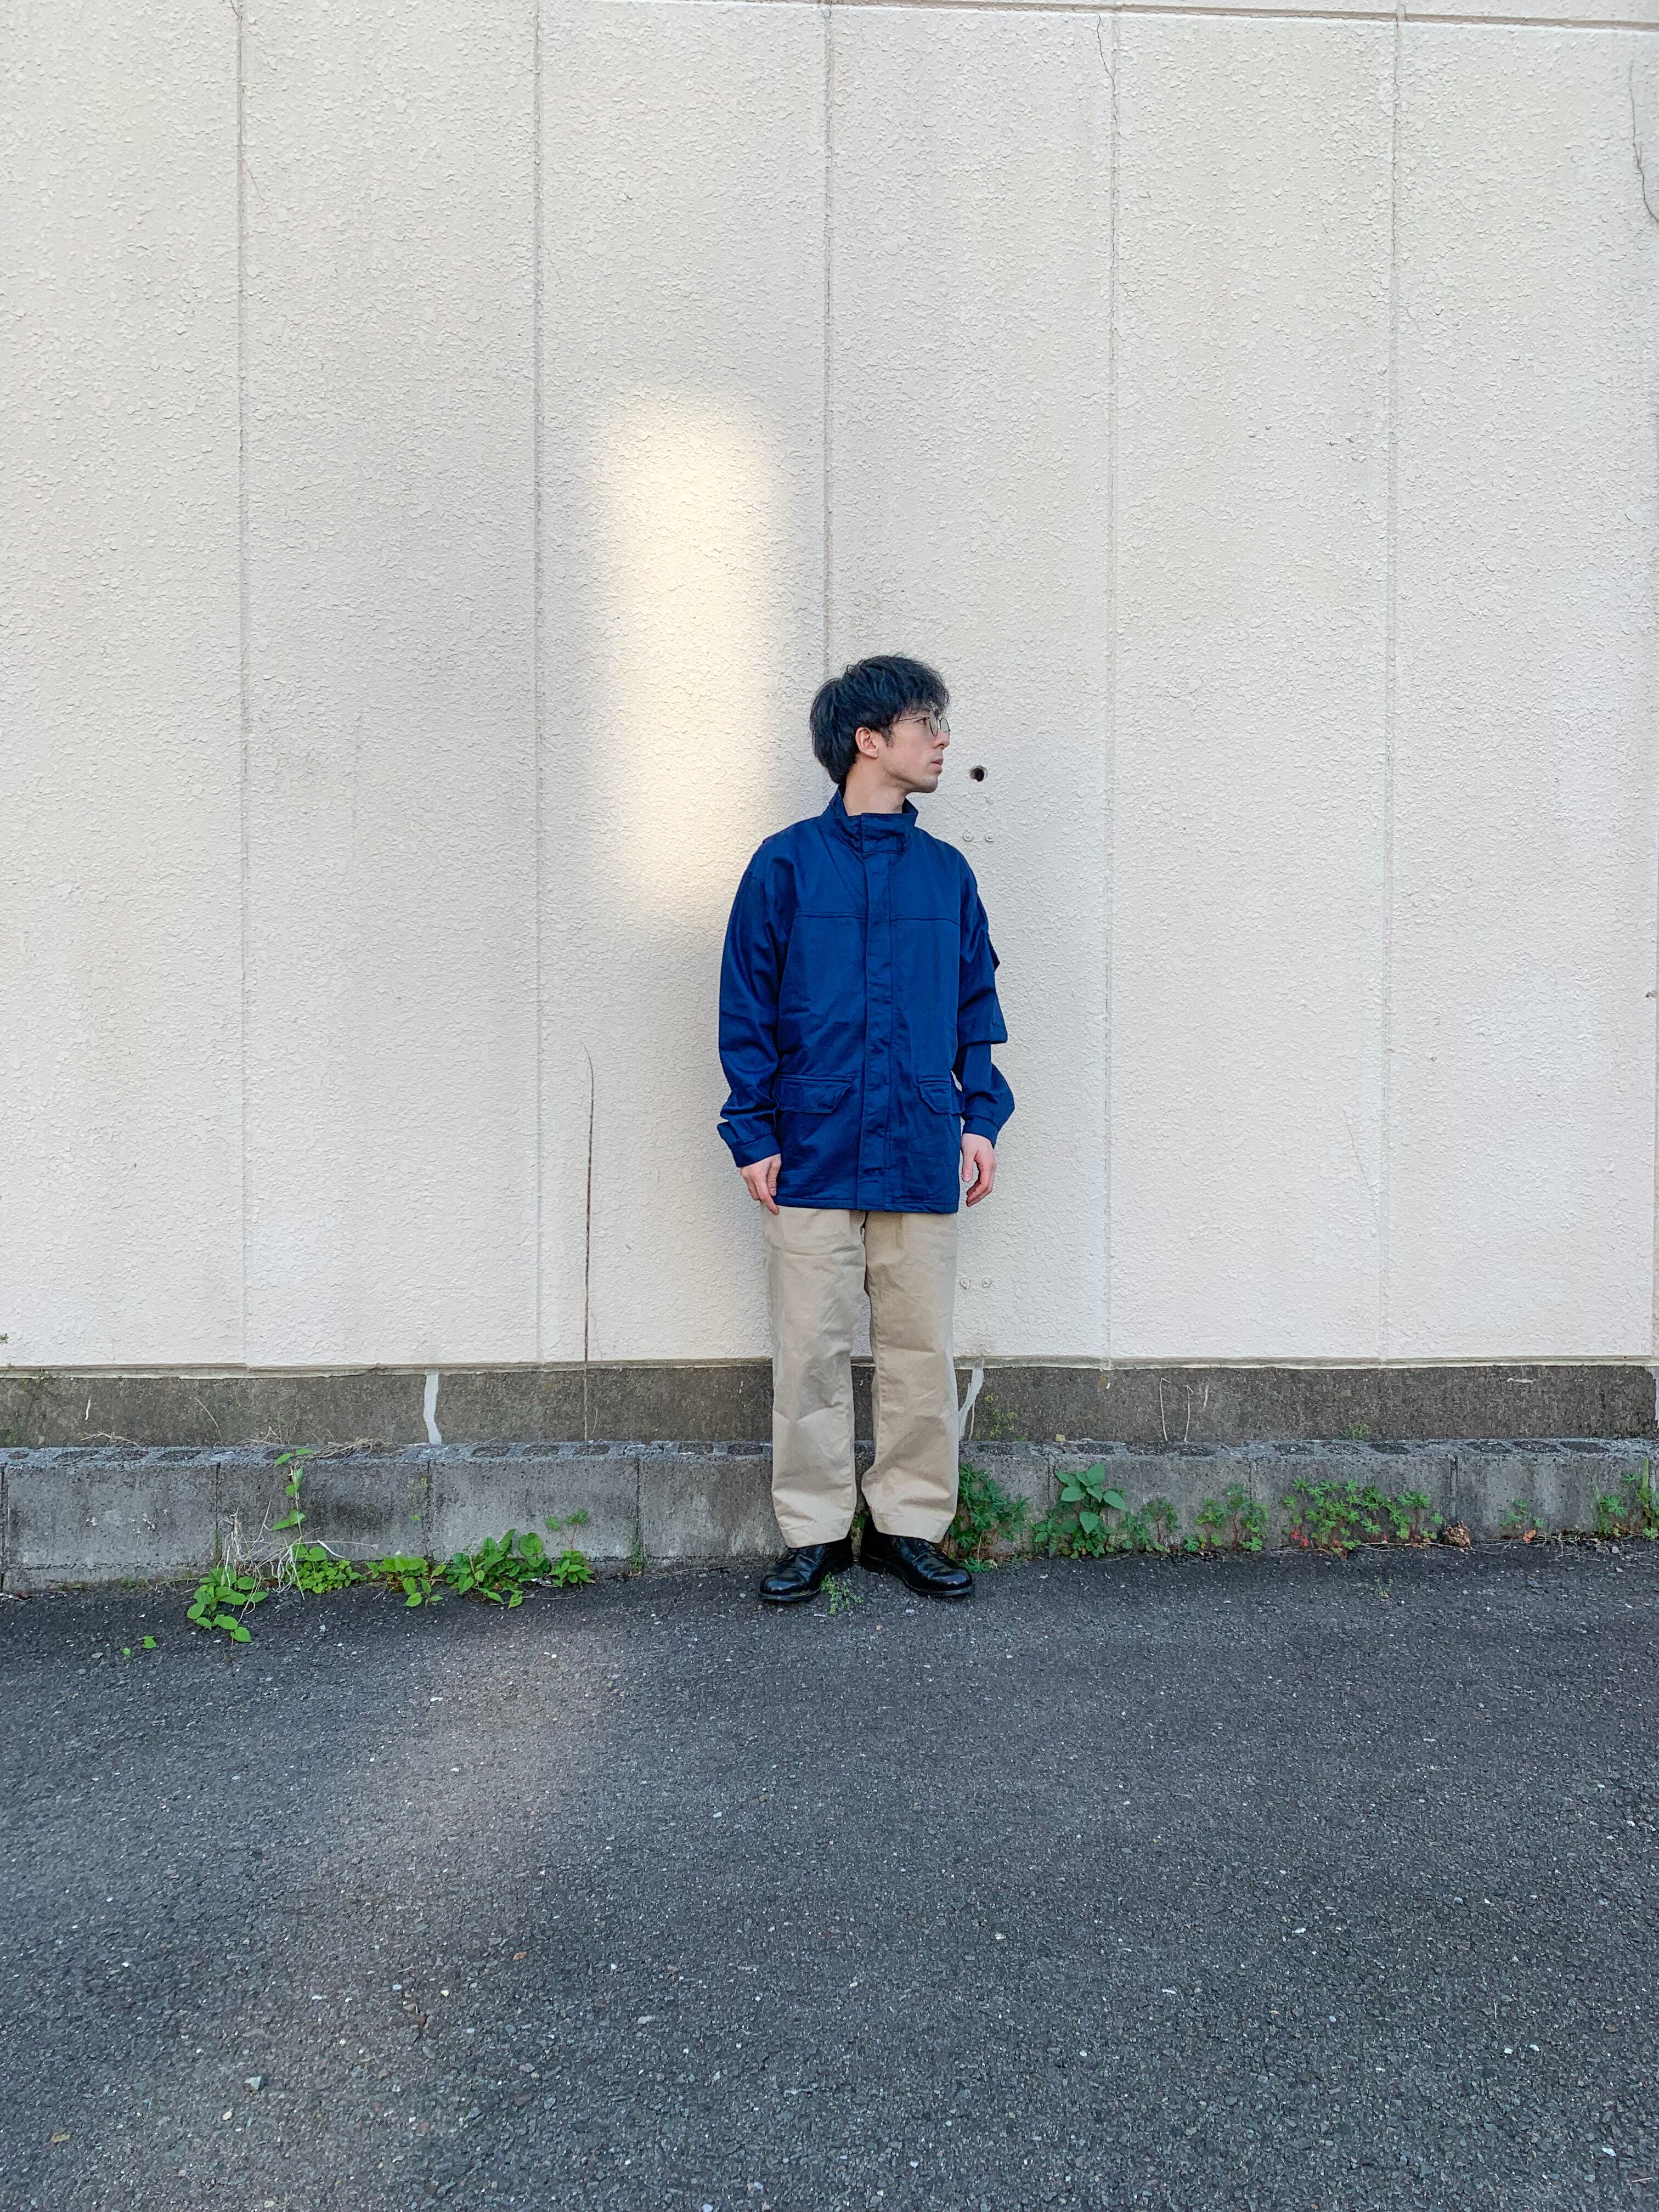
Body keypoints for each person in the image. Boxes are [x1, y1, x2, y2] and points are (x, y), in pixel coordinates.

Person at [715, 654, 1015, 1606]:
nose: (944, 741)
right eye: (928, 723)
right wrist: (753, 1133)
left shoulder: (945, 874)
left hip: (921, 1141)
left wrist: (980, 1117)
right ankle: (813, 1531)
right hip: (809, 1147)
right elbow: (746, 1006)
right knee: (809, 1348)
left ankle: (906, 1527)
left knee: (920, 1348)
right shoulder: (785, 865)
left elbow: (976, 1007)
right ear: (869, 739)